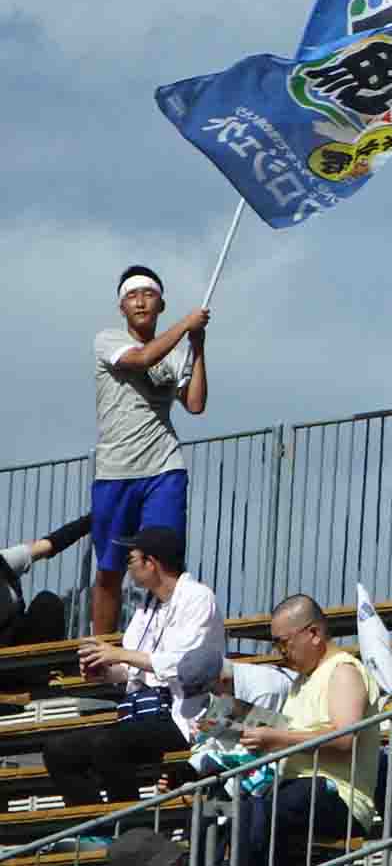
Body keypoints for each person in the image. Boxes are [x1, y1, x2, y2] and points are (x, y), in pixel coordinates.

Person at [43, 527, 223, 806]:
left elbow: (184, 665)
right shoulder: (146, 607)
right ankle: (95, 829)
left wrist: (119, 654)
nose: (128, 565)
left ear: (151, 563)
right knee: (58, 751)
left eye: (132, 558)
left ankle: (128, 826)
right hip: (142, 715)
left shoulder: (198, 598)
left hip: (185, 718)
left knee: (108, 744)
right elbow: (131, 671)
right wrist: (103, 672)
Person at [91, 266, 208, 636]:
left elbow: (195, 404)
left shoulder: (175, 352)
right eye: (132, 296)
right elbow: (140, 360)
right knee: (111, 568)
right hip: (115, 471)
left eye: (149, 294)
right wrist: (184, 327)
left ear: (161, 304)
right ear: (122, 308)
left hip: (164, 468)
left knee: (166, 563)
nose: (140, 301)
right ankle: (101, 652)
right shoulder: (108, 340)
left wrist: (198, 348)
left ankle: (169, 644)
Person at [231, 592, 380, 860]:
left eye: (283, 643)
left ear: (313, 633)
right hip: (294, 790)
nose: (280, 653)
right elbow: (289, 732)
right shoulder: (302, 682)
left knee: (262, 812)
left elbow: (345, 739)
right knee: (227, 812)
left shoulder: (343, 671)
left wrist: (275, 738)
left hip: (337, 796)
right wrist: (235, 723)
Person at [0, 511, 88, 647]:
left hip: (16, 638)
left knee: (47, 603)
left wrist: (90, 521)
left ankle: (50, 663)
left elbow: (51, 543)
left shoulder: (6, 561)